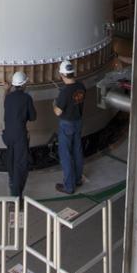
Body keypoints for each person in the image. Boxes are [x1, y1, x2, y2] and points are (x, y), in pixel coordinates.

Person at [52, 59, 86, 195]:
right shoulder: (81, 86)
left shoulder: (65, 92)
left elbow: (58, 112)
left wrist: (54, 104)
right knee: (77, 151)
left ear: (62, 75)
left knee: (65, 154)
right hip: (78, 122)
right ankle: (78, 179)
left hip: (67, 125)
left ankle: (69, 187)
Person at [3, 70, 36, 200]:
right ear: (23, 85)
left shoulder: (8, 97)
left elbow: (5, 105)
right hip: (19, 136)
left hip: (7, 134)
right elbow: (33, 117)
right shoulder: (26, 98)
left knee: (11, 161)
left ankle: (12, 183)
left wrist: (6, 90)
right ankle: (16, 197)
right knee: (20, 165)